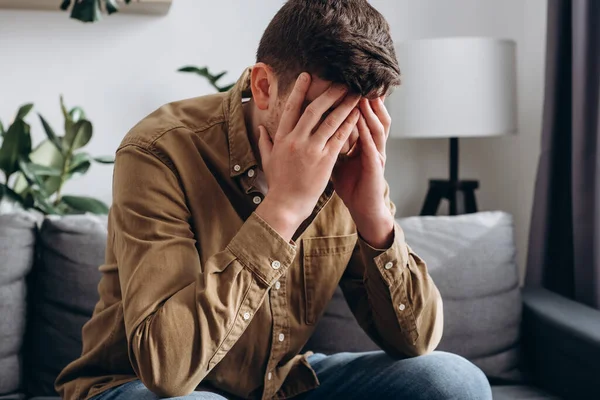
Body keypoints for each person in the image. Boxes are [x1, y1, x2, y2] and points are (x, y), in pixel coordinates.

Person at [56, 1, 492, 399]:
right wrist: (282, 210)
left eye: (359, 116)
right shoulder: (159, 151)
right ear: (263, 86)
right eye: (324, 115)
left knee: (453, 383)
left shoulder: (353, 156)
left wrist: (373, 215)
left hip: (276, 383)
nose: (340, 139)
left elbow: (415, 342)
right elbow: (166, 369)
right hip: (137, 386)